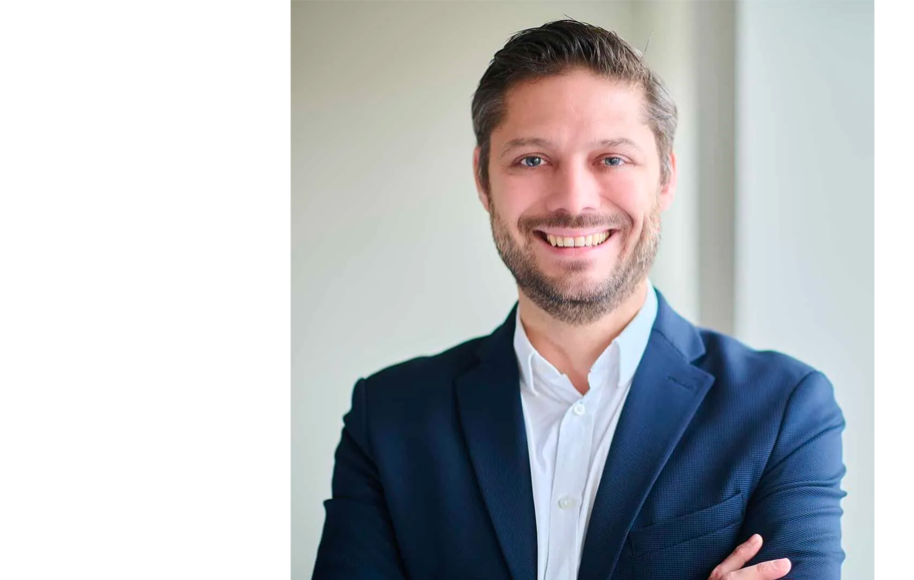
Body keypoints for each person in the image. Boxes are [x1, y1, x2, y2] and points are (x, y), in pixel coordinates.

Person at [312, 19, 845, 580]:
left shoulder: (783, 409)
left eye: (611, 158)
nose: (573, 200)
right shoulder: (388, 418)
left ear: (665, 177)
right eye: (532, 159)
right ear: (483, 180)